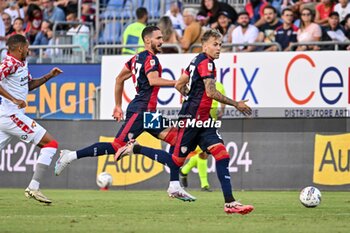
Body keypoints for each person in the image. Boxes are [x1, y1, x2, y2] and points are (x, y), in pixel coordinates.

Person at [116, 29, 254, 214]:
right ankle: (136, 148)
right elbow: (211, 92)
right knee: (175, 161)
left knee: (222, 155)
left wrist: (188, 94)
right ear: (205, 45)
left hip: (203, 120)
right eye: (215, 44)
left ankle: (230, 203)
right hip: (190, 120)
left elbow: (180, 83)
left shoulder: (196, 60)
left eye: (220, 45)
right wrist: (235, 103)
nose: (219, 48)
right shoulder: (206, 63)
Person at [55, 26, 196, 201]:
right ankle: (69, 156)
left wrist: (117, 106)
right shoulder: (150, 60)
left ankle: (174, 186)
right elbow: (152, 80)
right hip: (140, 111)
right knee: (116, 146)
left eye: (162, 38)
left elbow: (119, 78)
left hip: (148, 114)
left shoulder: (136, 58)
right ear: (147, 40)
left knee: (177, 139)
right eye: (158, 38)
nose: (162, 41)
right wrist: (177, 82)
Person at [0, 34, 63, 204]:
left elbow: (29, 85)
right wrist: (13, 99)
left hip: (6, 117)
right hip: (11, 115)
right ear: (20, 48)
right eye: (27, 47)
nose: (28, 50)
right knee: (51, 144)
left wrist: (49, 76)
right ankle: (33, 187)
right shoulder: (9, 63)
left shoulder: (21, 64)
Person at [180, 81, 226, 192]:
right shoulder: (197, 86)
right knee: (203, 153)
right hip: (197, 121)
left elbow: (222, 100)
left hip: (210, 122)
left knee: (204, 153)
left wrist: (221, 111)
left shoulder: (219, 86)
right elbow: (185, 101)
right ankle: (204, 184)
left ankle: (185, 170)